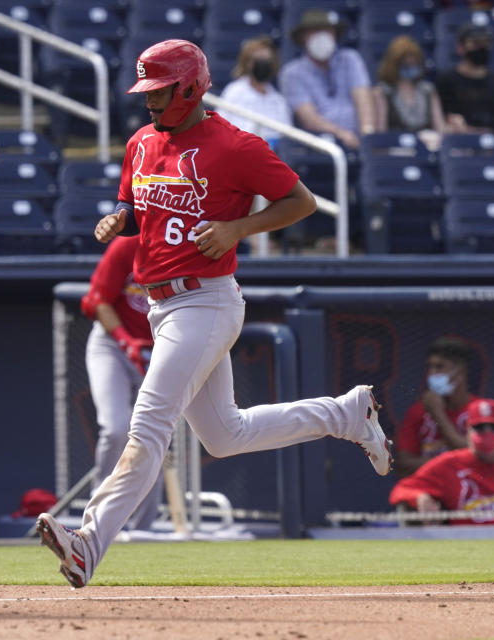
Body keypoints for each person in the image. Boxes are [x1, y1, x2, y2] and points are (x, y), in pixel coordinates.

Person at [36, 39, 393, 589]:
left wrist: (237, 229)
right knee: (224, 434)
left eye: (159, 91)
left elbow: (302, 202)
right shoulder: (141, 143)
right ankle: (344, 415)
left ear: (190, 86)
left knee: (149, 423)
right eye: (146, 91)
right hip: (163, 305)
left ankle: (88, 541)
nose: (150, 101)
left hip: (205, 299)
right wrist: (118, 221)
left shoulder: (235, 145)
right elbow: (135, 207)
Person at [82, 235, 162, 532]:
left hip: (158, 348)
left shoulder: (184, 244)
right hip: (112, 344)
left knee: (151, 436)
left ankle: (143, 526)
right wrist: (126, 341)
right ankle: (97, 517)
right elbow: (98, 301)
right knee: (116, 428)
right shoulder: (128, 244)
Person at [389, 398, 494, 525]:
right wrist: (419, 497)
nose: (487, 433)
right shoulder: (450, 464)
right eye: (479, 427)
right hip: (468, 543)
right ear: (467, 430)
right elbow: (402, 489)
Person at [279, 9, 375, 149]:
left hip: (358, 137)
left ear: (334, 35)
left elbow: (363, 99)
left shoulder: (350, 58)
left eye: (327, 31)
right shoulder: (292, 72)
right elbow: (309, 119)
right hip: (321, 144)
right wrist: (341, 134)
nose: (322, 36)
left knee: (377, 95)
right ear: (303, 37)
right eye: (315, 31)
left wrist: (367, 134)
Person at [395, 337, 480, 478]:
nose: (432, 373)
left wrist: (438, 414)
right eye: (430, 367)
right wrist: (454, 464)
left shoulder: (481, 409)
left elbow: (477, 458)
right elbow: (402, 464)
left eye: (440, 367)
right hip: (429, 490)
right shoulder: (418, 411)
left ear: (461, 372)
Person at [435, 23, 494, 148]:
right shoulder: (446, 80)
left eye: (486, 43)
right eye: (475, 43)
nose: (482, 48)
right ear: (460, 47)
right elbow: (442, 122)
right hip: (462, 145)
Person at [216, 36, 292, 150]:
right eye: (259, 59)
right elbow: (219, 127)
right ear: (248, 63)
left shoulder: (278, 100)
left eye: (267, 60)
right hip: (237, 152)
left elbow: (286, 134)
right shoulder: (234, 91)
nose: (263, 64)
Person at [372, 35, 446, 151]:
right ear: (394, 65)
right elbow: (381, 134)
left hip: (427, 148)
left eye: (413, 64)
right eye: (405, 65)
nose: (410, 67)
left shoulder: (428, 90)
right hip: (396, 149)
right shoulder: (382, 92)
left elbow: (441, 130)